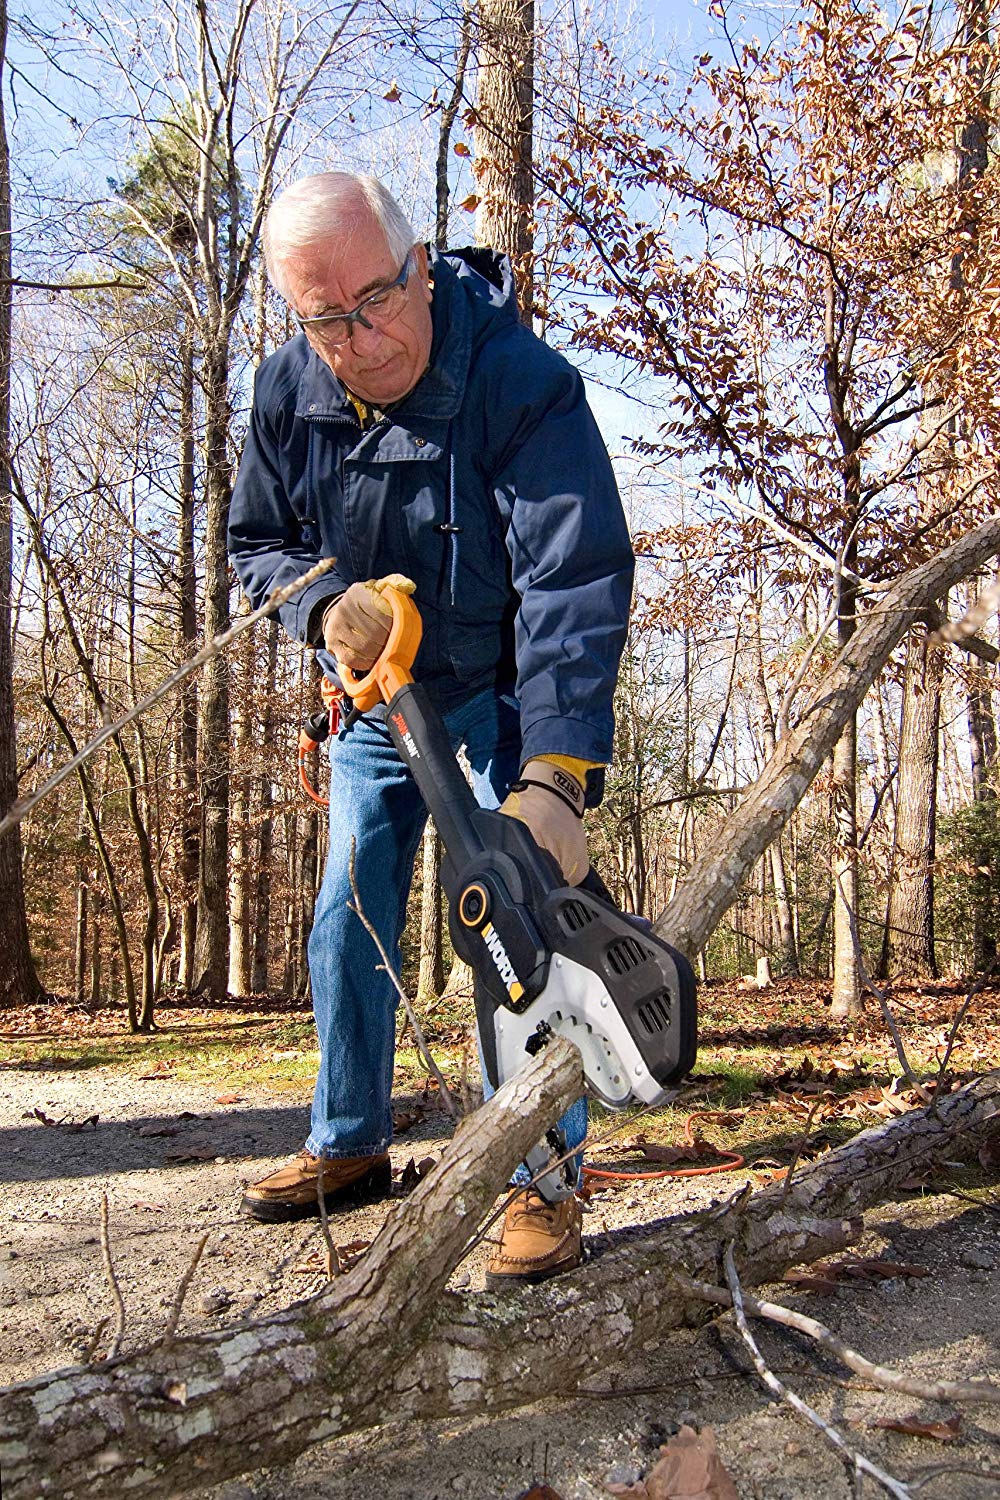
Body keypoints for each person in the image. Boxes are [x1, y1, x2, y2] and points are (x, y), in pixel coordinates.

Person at [228, 171, 634, 1284]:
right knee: (346, 907)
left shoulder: (518, 381)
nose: (359, 342)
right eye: (325, 321)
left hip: (504, 690)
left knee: (522, 910)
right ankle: (348, 1139)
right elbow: (255, 546)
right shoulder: (284, 391)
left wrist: (553, 774)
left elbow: (573, 572)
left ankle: (540, 1179)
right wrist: (325, 607)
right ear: (294, 315)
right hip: (376, 692)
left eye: (376, 302)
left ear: (420, 267)